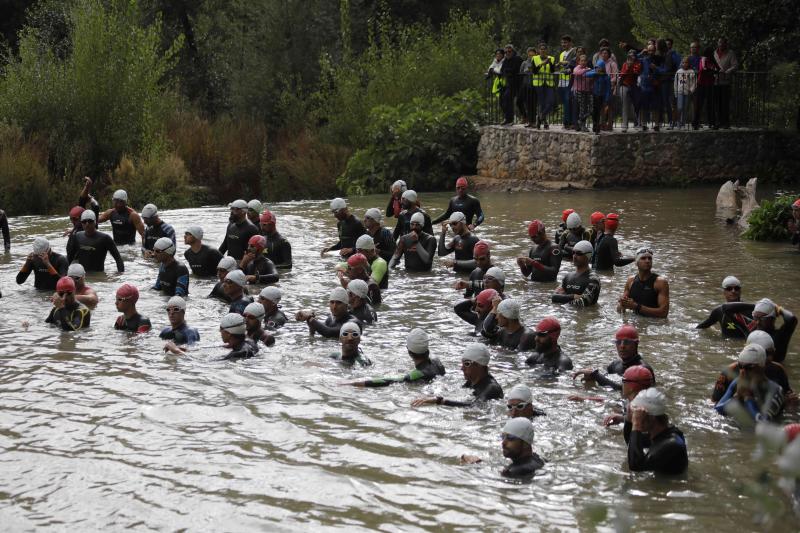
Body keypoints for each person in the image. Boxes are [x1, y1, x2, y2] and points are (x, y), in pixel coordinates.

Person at [711, 330, 794, 404]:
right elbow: (714, 403)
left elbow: (787, 394)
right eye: (767, 353)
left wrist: (790, 402)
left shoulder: (778, 369)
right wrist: (737, 399)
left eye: (772, 353)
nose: (771, 358)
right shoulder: (729, 372)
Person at [344, 328, 445, 387]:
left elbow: (387, 380)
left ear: (409, 351)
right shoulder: (437, 362)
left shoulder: (416, 374)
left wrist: (355, 383)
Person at [411, 343, 503, 407]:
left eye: (466, 364)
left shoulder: (492, 388)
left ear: (479, 365)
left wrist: (440, 401)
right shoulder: (472, 381)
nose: (462, 368)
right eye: (462, 364)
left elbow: (474, 406)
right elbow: (458, 395)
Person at [572, 325, 655, 391]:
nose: (622, 346)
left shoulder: (643, 369)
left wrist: (595, 374)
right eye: (618, 342)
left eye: (627, 342)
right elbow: (606, 382)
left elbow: (624, 389)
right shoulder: (614, 365)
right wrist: (591, 379)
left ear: (636, 344)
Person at [715, 344, 784, 422]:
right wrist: (737, 397)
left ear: (762, 366)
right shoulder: (737, 382)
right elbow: (716, 411)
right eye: (740, 366)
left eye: (749, 367)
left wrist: (747, 399)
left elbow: (763, 423)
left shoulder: (775, 390)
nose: (743, 371)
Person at [628, 388, 688, 475]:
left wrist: (637, 424)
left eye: (637, 416)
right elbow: (630, 442)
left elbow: (635, 466)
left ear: (652, 418)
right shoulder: (659, 433)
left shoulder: (672, 443)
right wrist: (627, 419)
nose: (634, 418)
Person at [602, 365, 656, 445]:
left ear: (630, 388)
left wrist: (630, 421)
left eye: (623, 382)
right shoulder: (649, 401)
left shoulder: (639, 406)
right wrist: (623, 419)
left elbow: (634, 445)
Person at [617, 247, 669, 318]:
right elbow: (620, 308)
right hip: (635, 320)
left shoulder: (661, 282)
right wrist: (622, 304)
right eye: (643, 258)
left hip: (654, 325)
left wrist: (636, 306)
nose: (647, 261)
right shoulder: (630, 281)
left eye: (649, 258)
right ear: (636, 263)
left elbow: (664, 313)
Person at [295, 287, 361, 339]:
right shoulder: (330, 319)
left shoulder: (353, 323)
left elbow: (328, 333)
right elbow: (320, 332)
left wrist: (310, 318)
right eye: (332, 302)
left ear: (346, 305)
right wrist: (309, 319)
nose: (334, 307)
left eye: (338, 303)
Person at [551, 241, 601, 308]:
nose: (574, 256)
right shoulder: (568, 276)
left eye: (579, 253)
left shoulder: (593, 279)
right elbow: (554, 297)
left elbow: (583, 302)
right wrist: (573, 296)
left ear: (588, 256)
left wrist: (562, 300)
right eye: (573, 252)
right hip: (566, 317)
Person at [751, 298, 797, 363]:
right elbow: (731, 308)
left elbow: (792, 319)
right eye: (755, 318)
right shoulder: (753, 331)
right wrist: (754, 305)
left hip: (773, 371)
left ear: (772, 319)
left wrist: (779, 309)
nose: (758, 322)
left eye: (762, 319)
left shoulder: (780, 336)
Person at [713, 38, 738, 129]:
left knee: (725, 103)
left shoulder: (730, 53)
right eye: (719, 43)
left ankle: (726, 122)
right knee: (717, 103)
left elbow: (735, 65)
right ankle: (718, 122)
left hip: (725, 81)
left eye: (723, 43)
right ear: (717, 43)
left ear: (726, 44)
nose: (721, 45)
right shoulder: (714, 53)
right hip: (715, 81)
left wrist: (727, 71)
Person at [531, 42, 556, 129]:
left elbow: (552, 71)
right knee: (542, 104)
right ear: (538, 50)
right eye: (541, 49)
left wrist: (549, 63)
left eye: (544, 49)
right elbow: (534, 71)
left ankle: (540, 117)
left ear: (547, 50)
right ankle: (544, 121)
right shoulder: (534, 58)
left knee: (551, 102)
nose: (543, 50)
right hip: (538, 83)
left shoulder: (551, 58)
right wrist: (542, 64)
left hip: (549, 83)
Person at [692, 47, 718, 130]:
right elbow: (703, 69)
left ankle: (712, 123)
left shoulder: (712, 60)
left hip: (710, 84)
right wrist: (712, 70)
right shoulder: (703, 59)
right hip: (702, 84)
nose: (713, 54)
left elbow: (718, 68)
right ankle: (695, 123)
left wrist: (713, 70)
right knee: (699, 104)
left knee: (710, 104)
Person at [618, 50, 641, 132]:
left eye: (633, 56)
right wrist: (628, 67)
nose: (631, 58)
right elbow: (622, 75)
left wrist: (631, 67)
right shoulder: (625, 64)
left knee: (635, 105)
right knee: (625, 105)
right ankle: (624, 125)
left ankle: (636, 122)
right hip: (624, 86)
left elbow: (636, 73)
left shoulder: (638, 64)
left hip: (633, 86)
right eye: (629, 56)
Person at [586, 58, 611, 134]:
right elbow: (586, 74)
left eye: (599, 68)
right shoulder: (595, 73)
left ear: (603, 68)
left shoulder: (606, 77)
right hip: (594, 94)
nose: (597, 69)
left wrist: (606, 99)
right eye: (596, 67)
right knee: (594, 111)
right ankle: (595, 124)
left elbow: (608, 89)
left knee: (598, 111)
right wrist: (595, 73)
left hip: (601, 96)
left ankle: (597, 126)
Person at [499, 44, 523, 125]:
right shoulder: (506, 60)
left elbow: (515, 69)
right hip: (508, 83)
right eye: (505, 52)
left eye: (509, 51)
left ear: (513, 51)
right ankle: (507, 118)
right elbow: (502, 70)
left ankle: (511, 119)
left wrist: (508, 71)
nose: (507, 53)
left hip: (517, 83)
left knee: (509, 98)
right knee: (502, 100)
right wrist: (508, 71)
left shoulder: (517, 59)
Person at [557, 35, 576, 129]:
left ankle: (569, 122)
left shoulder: (574, 52)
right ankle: (567, 122)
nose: (563, 44)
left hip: (570, 80)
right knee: (565, 102)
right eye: (562, 42)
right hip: (562, 80)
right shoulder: (561, 54)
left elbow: (572, 64)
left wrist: (565, 64)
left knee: (568, 101)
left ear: (570, 43)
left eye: (565, 42)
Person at [572, 54, 594, 132]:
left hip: (587, 91)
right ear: (579, 62)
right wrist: (586, 70)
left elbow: (592, 79)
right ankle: (583, 126)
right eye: (582, 61)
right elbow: (577, 73)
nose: (583, 62)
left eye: (585, 61)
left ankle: (580, 120)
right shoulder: (577, 68)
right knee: (582, 109)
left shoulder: (589, 69)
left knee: (591, 109)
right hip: (579, 91)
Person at [674, 57, 696, 128]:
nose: (684, 64)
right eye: (683, 62)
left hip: (687, 92)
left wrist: (691, 90)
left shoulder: (691, 71)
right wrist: (676, 92)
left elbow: (694, 83)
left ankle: (683, 122)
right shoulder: (678, 71)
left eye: (686, 62)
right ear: (681, 63)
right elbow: (675, 82)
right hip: (680, 92)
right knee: (679, 107)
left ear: (688, 63)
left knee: (685, 108)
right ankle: (678, 122)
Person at [599, 48, 618, 130]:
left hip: (610, 87)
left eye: (606, 53)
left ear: (609, 54)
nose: (604, 55)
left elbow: (616, 76)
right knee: (602, 106)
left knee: (610, 106)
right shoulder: (599, 63)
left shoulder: (612, 64)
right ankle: (602, 124)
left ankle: (610, 124)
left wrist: (609, 81)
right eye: (602, 53)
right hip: (601, 87)